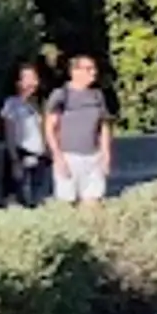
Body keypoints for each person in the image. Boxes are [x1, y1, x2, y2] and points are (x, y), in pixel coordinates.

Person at [48, 52, 115, 205]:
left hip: (93, 157)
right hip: (69, 156)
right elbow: (50, 127)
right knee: (67, 202)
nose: (94, 72)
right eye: (88, 69)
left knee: (93, 201)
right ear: (75, 72)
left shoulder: (97, 95)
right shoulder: (61, 95)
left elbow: (103, 125)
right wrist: (57, 156)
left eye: (94, 68)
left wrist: (105, 154)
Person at [0, 60, 52, 206]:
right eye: (26, 78)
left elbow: (46, 128)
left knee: (38, 192)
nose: (30, 83)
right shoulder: (12, 104)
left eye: (33, 78)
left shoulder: (42, 104)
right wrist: (14, 158)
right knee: (17, 191)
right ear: (18, 82)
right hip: (20, 151)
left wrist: (48, 150)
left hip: (40, 153)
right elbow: (9, 131)